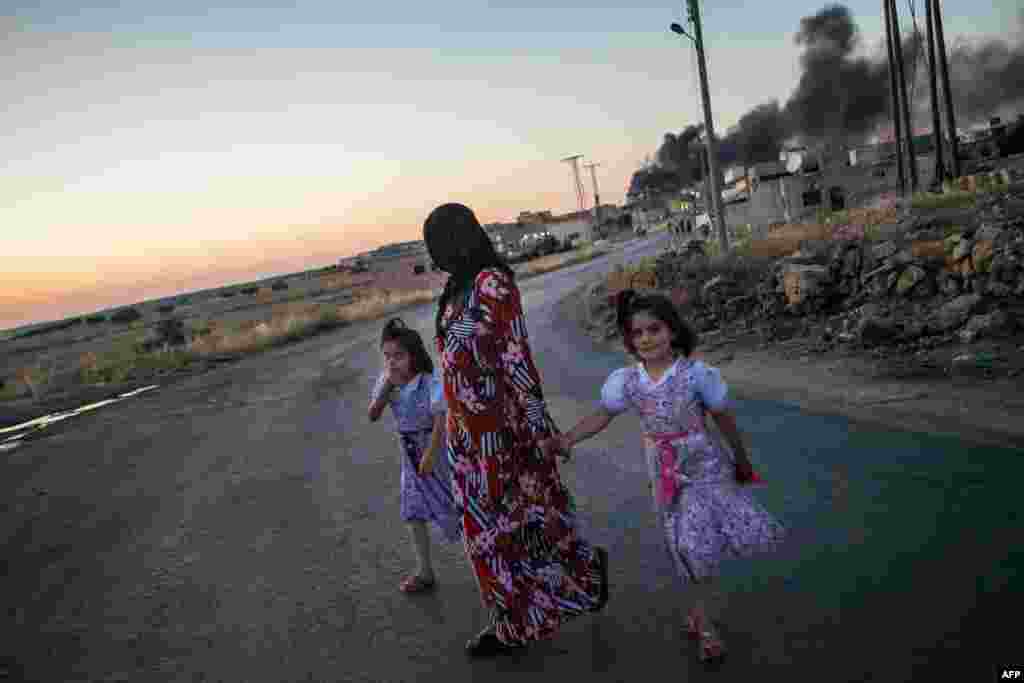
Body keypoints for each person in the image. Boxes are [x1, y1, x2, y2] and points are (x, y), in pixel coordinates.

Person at [543, 290, 786, 665]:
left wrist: (741, 461)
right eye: (637, 334)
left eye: (654, 329)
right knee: (683, 545)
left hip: (705, 465)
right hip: (665, 471)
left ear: (672, 330)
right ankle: (697, 610)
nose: (646, 339)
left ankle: (705, 626)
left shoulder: (697, 376)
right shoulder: (627, 382)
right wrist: (566, 439)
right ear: (629, 340)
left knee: (694, 543)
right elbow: (602, 415)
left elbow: (723, 420)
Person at [423, 202, 609, 657]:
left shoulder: (492, 284)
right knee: (484, 537)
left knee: (528, 524)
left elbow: (516, 361)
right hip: (467, 441)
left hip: (504, 437)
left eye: (438, 243)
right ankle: (508, 620)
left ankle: (582, 575)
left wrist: (539, 427)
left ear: (458, 239)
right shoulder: (456, 291)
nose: (434, 254)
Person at [368, 317, 461, 594]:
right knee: (413, 510)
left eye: (399, 356)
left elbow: (440, 420)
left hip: (436, 452)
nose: (393, 362)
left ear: (414, 355)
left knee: (454, 505)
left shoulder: (429, 382)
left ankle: (488, 557)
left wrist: (431, 454)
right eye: (387, 357)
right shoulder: (387, 382)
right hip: (409, 454)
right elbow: (373, 414)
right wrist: (387, 387)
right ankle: (425, 571)